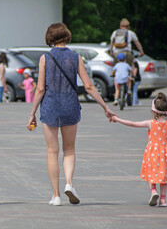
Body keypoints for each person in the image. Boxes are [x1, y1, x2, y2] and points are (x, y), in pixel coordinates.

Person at [27, 23, 116, 206]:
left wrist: (32, 113)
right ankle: (69, 183)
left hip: (50, 106)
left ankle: (56, 196)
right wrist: (105, 107)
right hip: (70, 105)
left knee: (52, 152)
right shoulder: (76, 58)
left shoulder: (45, 58)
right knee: (69, 149)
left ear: (50, 37)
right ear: (67, 36)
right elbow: (89, 86)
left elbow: (40, 88)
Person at [112, 92, 167, 207]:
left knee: (152, 173)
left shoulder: (150, 123)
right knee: (163, 176)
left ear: (153, 111)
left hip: (152, 152)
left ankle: (153, 191)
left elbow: (132, 123)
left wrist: (118, 119)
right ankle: (163, 200)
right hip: (165, 153)